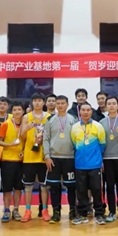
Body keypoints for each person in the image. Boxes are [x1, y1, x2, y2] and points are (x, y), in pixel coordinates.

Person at [43, 95, 78, 223]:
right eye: (58, 103)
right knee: (54, 186)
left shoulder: (73, 119)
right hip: (54, 158)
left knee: (71, 187)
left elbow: (77, 138)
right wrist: (47, 156)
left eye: (63, 103)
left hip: (70, 158)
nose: (60, 105)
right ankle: (56, 212)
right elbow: (45, 138)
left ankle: (72, 210)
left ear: (67, 105)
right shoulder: (50, 119)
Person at [71, 103, 107, 225]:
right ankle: (82, 214)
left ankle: (99, 214)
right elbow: (75, 144)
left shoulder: (98, 126)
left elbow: (102, 144)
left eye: (88, 110)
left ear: (91, 111)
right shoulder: (75, 127)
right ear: (80, 112)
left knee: (97, 189)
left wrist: (95, 157)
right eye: (83, 110)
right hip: (80, 164)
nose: (86, 112)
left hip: (95, 164)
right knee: (81, 190)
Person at [20, 92, 51, 222]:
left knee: (44, 186)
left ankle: (44, 210)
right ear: (32, 103)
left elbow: (51, 136)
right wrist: (25, 129)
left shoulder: (48, 117)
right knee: (28, 186)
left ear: (43, 103)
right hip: (29, 156)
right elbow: (22, 137)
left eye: (39, 100)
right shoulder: (26, 117)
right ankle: (27, 211)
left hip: (43, 156)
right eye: (35, 100)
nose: (37, 103)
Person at [0, 103, 26, 222]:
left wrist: (24, 151)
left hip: (21, 161)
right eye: (15, 110)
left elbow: (28, 141)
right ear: (11, 112)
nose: (17, 111)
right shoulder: (5, 124)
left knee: (18, 188)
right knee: (7, 188)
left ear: (23, 111)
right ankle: (6, 210)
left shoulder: (26, 125)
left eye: (19, 109)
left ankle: (16, 210)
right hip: (7, 160)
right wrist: (10, 145)